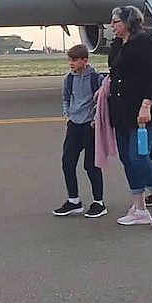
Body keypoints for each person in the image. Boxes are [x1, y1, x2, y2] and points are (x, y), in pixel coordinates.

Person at [107, 6, 152, 228]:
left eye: (116, 21)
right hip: (122, 111)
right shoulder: (118, 45)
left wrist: (146, 105)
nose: (112, 25)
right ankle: (139, 208)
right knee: (127, 158)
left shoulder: (145, 43)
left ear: (129, 22)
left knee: (139, 156)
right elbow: (115, 74)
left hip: (144, 112)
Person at [53, 44, 107, 218]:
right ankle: (74, 200)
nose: (71, 63)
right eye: (69, 60)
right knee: (67, 162)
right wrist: (67, 114)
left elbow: (103, 101)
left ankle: (99, 202)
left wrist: (96, 118)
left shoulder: (96, 79)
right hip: (74, 124)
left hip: (90, 126)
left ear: (85, 60)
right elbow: (66, 97)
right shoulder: (68, 79)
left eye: (74, 60)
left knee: (90, 165)